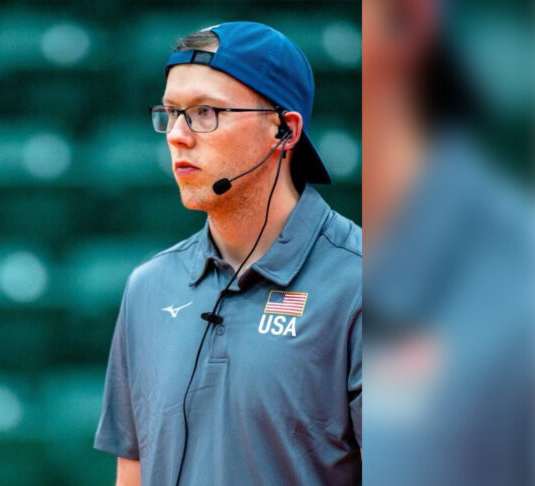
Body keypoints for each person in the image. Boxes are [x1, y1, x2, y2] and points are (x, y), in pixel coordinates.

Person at [94, 21, 361, 486]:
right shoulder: (148, 287)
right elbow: (132, 474)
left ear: (285, 130)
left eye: (204, 112)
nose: (177, 134)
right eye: (171, 112)